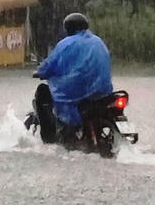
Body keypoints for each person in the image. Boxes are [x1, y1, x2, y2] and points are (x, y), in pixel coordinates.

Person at [29, 12, 113, 142]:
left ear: (68, 28)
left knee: (42, 93)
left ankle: (49, 139)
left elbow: (50, 64)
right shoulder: (98, 41)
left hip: (78, 92)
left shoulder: (66, 44)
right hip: (102, 91)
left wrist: (40, 72)